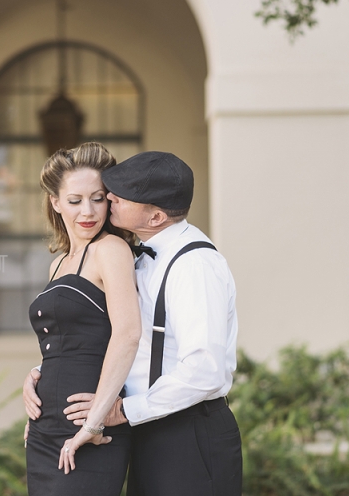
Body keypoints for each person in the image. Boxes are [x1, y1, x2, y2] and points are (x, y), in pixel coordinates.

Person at [23, 151, 242, 496]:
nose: (108, 198)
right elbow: (104, 329)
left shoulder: (195, 265)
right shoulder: (138, 256)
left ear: (155, 216)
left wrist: (125, 409)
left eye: (118, 196)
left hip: (188, 433)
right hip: (142, 426)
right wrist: (45, 372)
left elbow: (205, 369)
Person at [24, 142, 141, 496]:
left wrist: (93, 422)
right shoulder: (58, 262)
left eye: (98, 198)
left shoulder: (111, 250)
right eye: (75, 201)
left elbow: (128, 334)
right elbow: (67, 340)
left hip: (89, 429)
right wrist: (35, 377)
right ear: (56, 203)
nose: (87, 211)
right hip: (43, 429)